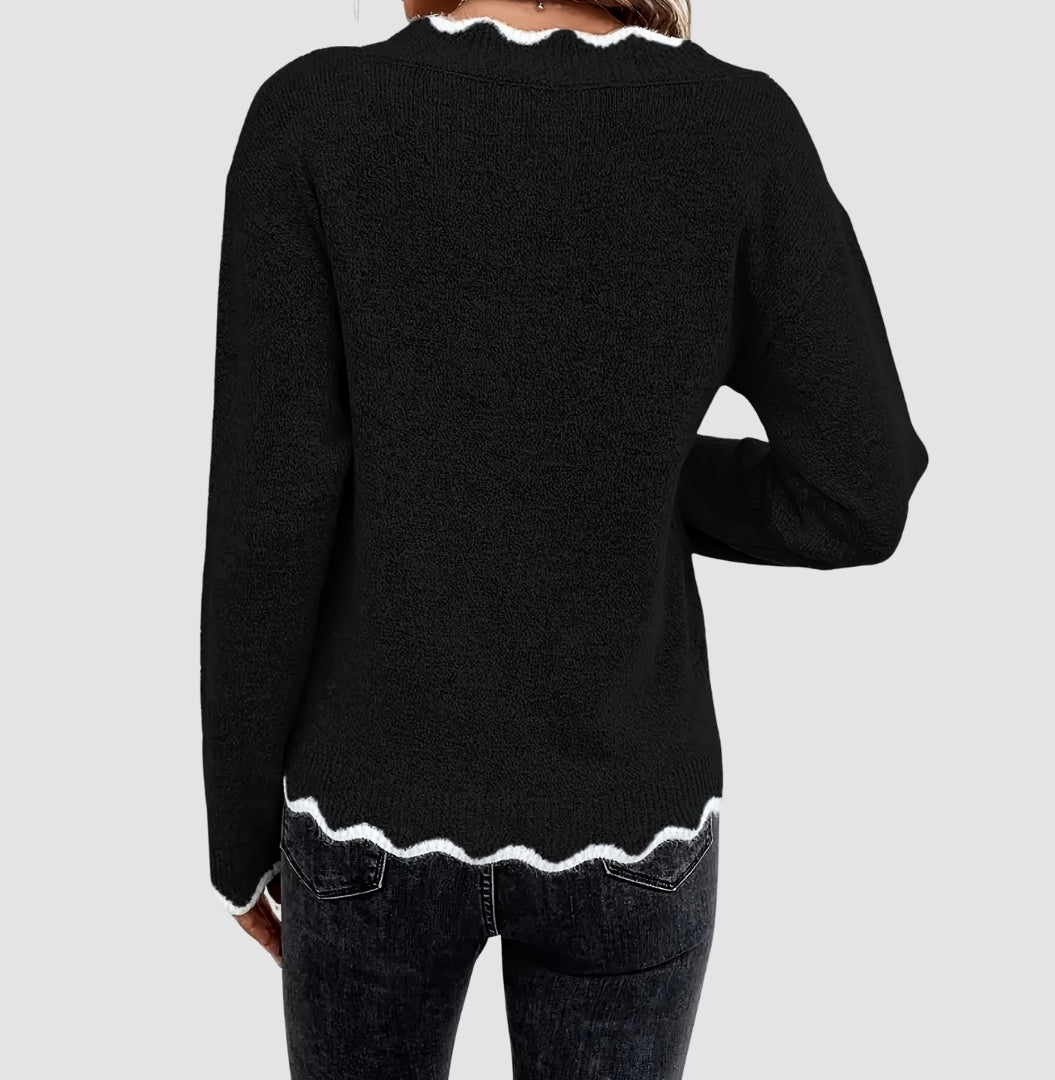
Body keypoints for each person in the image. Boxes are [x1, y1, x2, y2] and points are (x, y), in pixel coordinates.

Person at [199, 1, 929, 1076]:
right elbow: (860, 487)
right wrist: (635, 476)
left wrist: (238, 844)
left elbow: (268, 519)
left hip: (367, 816)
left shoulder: (313, 117)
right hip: (631, 817)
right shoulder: (737, 128)